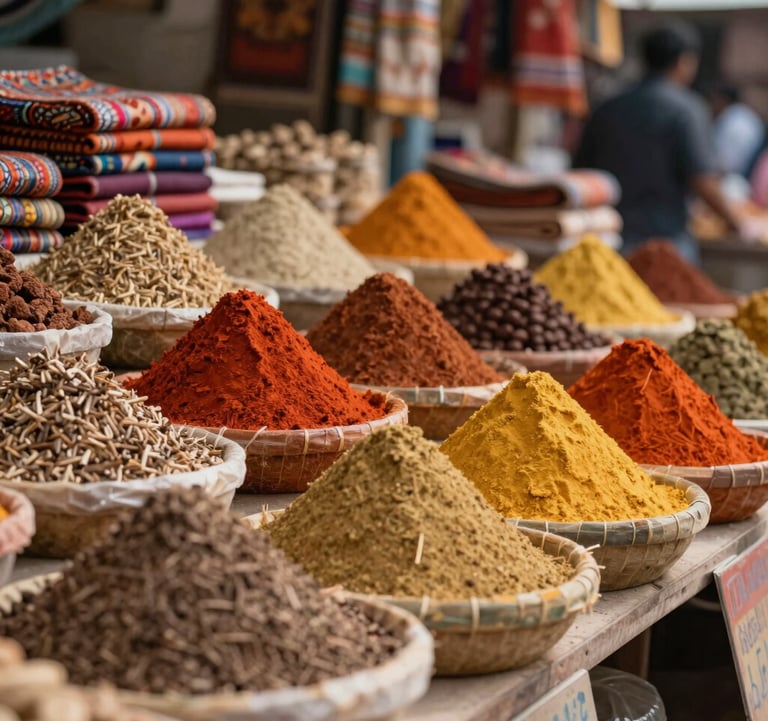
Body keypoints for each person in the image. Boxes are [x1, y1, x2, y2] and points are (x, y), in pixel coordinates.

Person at [573, 22, 748, 262]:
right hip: (666, 246)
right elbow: (703, 180)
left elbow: (580, 172)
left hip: (609, 241)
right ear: (684, 61)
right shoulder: (687, 110)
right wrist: (738, 224)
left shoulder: (607, 107)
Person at [711, 83, 765, 177]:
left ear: (722, 100)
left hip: (737, 177)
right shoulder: (745, 114)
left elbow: (725, 163)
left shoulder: (730, 118)